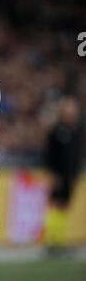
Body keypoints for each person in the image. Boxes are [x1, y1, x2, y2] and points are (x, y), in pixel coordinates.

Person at [43, 96, 84, 255]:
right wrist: (52, 175)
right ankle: (52, 242)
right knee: (56, 206)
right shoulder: (56, 133)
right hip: (59, 176)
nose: (71, 115)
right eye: (68, 111)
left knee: (64, 208)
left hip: (70, 176)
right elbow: (48, 157)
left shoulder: (75, 132)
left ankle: (60, 241)